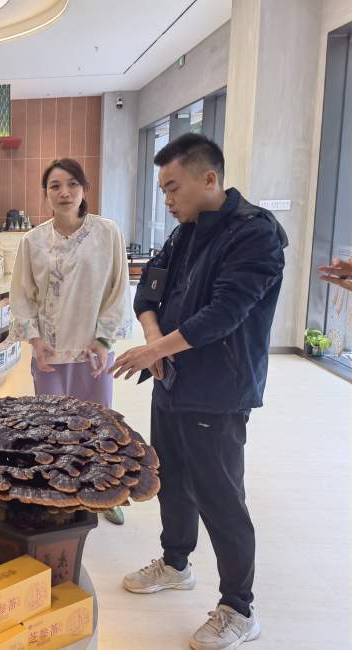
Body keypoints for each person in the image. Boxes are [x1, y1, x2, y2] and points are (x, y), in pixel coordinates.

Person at [110, 133, 287, 650]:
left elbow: (223, 315)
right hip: (172, 380)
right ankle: (176, 563)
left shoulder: (254, 234)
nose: (167, 199)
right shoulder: (185, 231)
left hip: (219, 388)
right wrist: (155, 345)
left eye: (173, 187)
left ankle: (239, 608)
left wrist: (153, 350)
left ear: (209, 179)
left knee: (220, 495)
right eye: (163, 189)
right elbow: (147, 291)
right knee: (171, 477)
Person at [9, 158, 131, 525]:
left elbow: (118, 289)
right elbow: (22, 295)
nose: (64, 192)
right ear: (45, 193)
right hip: (49, 352)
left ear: (84, 189)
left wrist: (104, 339)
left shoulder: (107, 233)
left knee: (99, 423)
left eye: (72, 184)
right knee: (52, 426)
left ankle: (104, 492)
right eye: (55, 186)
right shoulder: (32, 241)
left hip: (93, 351)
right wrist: (34, 339)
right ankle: (60, 492)